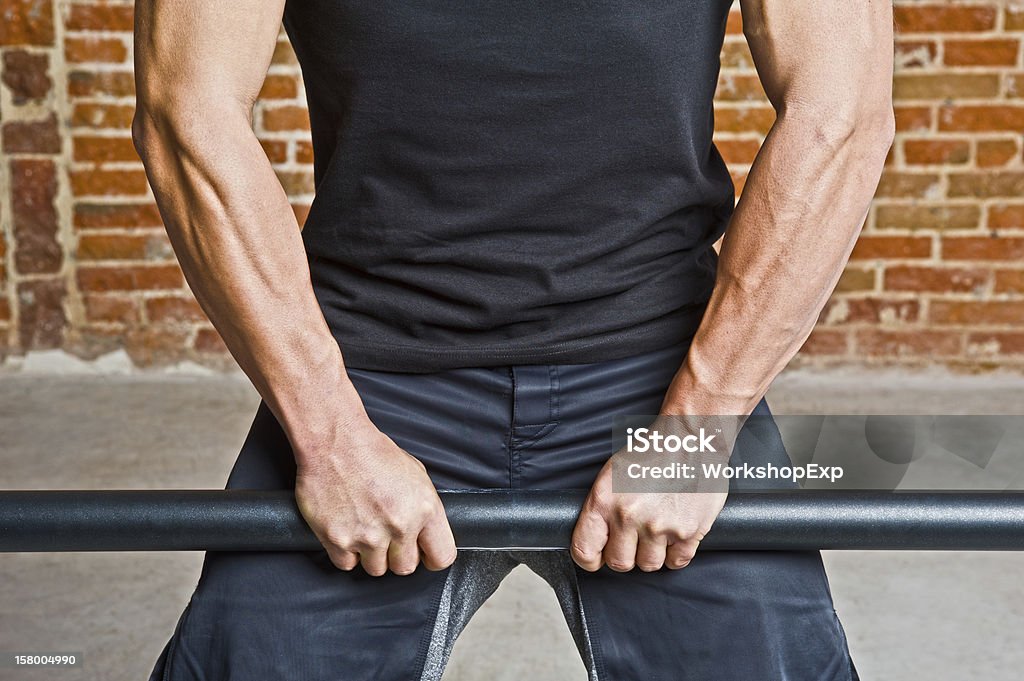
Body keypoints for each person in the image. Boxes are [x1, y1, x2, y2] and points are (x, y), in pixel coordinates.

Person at [133, 0, 893, 678]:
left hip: (659, 373)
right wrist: (328, 436)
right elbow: (185, 109)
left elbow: (843, 111)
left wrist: (695, 431)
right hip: (369, 379)